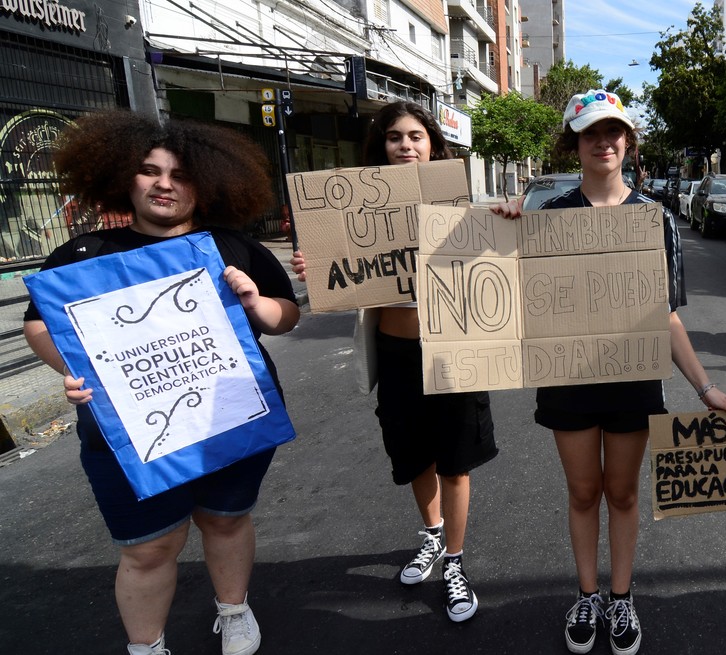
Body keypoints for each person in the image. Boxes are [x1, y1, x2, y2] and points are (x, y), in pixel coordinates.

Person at [23, 111, 299, 655]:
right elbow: (39, 322)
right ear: (126, 177)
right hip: (127, 431)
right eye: (150, 171)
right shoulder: (85, 254)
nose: (165, 184)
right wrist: (73, 372)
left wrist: (254, 301)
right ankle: (146, 646)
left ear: (207, 183)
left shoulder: (234, 247)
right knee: (149, 548)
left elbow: (286, 315)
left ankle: (234, 609)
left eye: (180, 174)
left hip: (230, 413)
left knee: (226, 521)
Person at [492, 89, 726, 655]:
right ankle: (588, 594)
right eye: (590, 133)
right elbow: (506, 300)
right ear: (574, 144)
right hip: (568, 381)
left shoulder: (654, 218)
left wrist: (704, 385)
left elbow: (666, 315)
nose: (603, 142)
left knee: (623, 493)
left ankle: (622, 598)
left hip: (633, 380)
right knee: (583, 492)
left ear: (628, 142)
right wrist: (504, 230)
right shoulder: (547, 218)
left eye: (613, 132)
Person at [289, 101, 497, 622]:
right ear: (380, 148)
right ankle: (431, 536)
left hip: (452, 349)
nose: (405, 145)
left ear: (434, 144)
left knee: (455, 459)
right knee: (412, 457)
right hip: (397, 353)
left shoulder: (459, 206)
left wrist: (507, 220)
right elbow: (341, 274)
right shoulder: (356, 210)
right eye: (393, 138)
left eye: (416, 136)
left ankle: (454, 560)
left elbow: (494, 265)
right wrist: (314, 267)